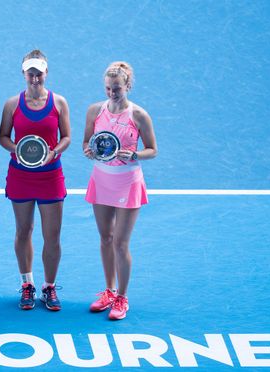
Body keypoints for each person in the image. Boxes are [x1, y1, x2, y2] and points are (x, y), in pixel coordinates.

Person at [83, 61, 157, 320]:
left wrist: (135, 153)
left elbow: (152, 149)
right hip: (102, 180)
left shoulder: (139, 115)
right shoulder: (95, 111)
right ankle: (109, 291)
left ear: (127, 86)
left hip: (128, 182)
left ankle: (122, 298)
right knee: (105, 239)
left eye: (116, 89)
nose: (112, 93)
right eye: (107, 88)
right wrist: (89, 151)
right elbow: (86, 143)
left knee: (121, 243)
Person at [0, 50, 71, 311]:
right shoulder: (11, 104)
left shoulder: (59, 103)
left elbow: (67, 137)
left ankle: (49, 287)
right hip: (20, 176)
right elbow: (3, 137)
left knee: (52, 235)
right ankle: (27, 284)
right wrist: (16, 148)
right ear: (24, 73)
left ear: (46, 73)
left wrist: (54, 151)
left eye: (39, 72)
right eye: (30, 72)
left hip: (51, 176)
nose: (35, 77)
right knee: (23, 231)